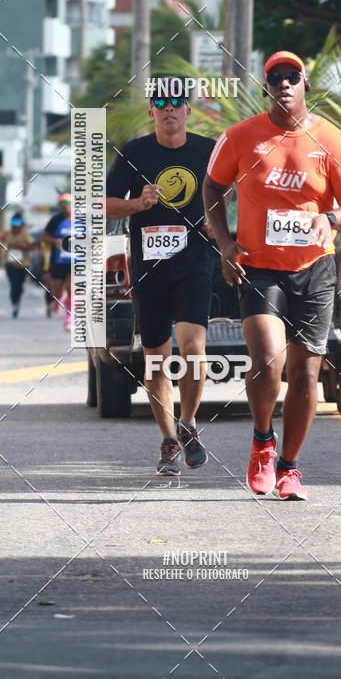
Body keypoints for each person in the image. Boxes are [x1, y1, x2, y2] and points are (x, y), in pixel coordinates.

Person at [203, 51, 341, 501]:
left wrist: (330, 220)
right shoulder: (240, 137)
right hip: (257, 267)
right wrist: (226, 243)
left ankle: (290, 468)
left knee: (306, 373)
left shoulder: (333, 140)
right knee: (269, 360)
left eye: (292, 76)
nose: (284, 84)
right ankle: (261, 443)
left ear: (305, 84)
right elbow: (212, 186)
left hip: (314, 268)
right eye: (276, 77)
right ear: (266, 86)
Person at [106, 80, 216, 477]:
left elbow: (228, 191)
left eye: (176, 103)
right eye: (161, 103)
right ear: (152, 111)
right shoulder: (135, 153)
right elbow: (104, 206)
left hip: (193, 262)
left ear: (187, 110)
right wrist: (138, 203)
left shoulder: (208, 149)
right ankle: (170, 438)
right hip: (149, 265)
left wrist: (214, 219)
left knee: (194, 346)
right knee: (156, 360)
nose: (169, 109)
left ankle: (188, 422)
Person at [42, 193, 74, 330]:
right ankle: (57, 302)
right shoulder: (56, 220)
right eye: (62, 204)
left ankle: (69, 319)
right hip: (58, 260)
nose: (65, 206)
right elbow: (44, 237)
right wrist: (55, 241)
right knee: (57, 292)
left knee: (72, 289)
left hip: (75, 260)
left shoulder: (82, 219)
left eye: (67, 203)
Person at [2, 213, 34, 317]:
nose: (14, 226)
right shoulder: (7, 233)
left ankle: (17, 300)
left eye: (17, 223)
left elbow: (32, 246)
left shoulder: (25, 234)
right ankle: (14, 304)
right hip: (10, 263)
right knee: (14, 284)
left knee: (19, 286)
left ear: (21, 224)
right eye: (13, 223)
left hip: (23, 264)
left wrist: (23, 246)